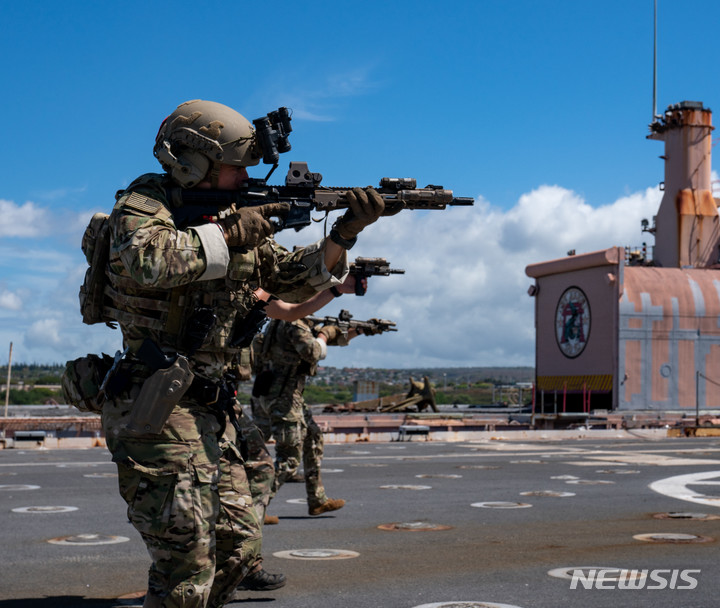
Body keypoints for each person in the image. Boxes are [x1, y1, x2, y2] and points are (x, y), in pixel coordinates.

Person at [98, 99, 384, 608]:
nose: (244, 178)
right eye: (237, 167)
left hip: (214, 402)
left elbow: (293, 278)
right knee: (187, 569)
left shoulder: (229, 215)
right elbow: (151, 261)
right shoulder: (145, 206)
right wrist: (233, 231)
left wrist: (344, 233)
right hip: (158, 402)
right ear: (193, 162)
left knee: (239, 548)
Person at [252, 315, 370, 517]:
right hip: (285, 398)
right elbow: (314, 351)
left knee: (313, 436)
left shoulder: (281, 322)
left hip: (279, 394)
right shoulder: (294, 323)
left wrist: (357, 331)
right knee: (289, 458)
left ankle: (317, 498)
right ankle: (254, 510)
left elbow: (326, 341)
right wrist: (324, 333)